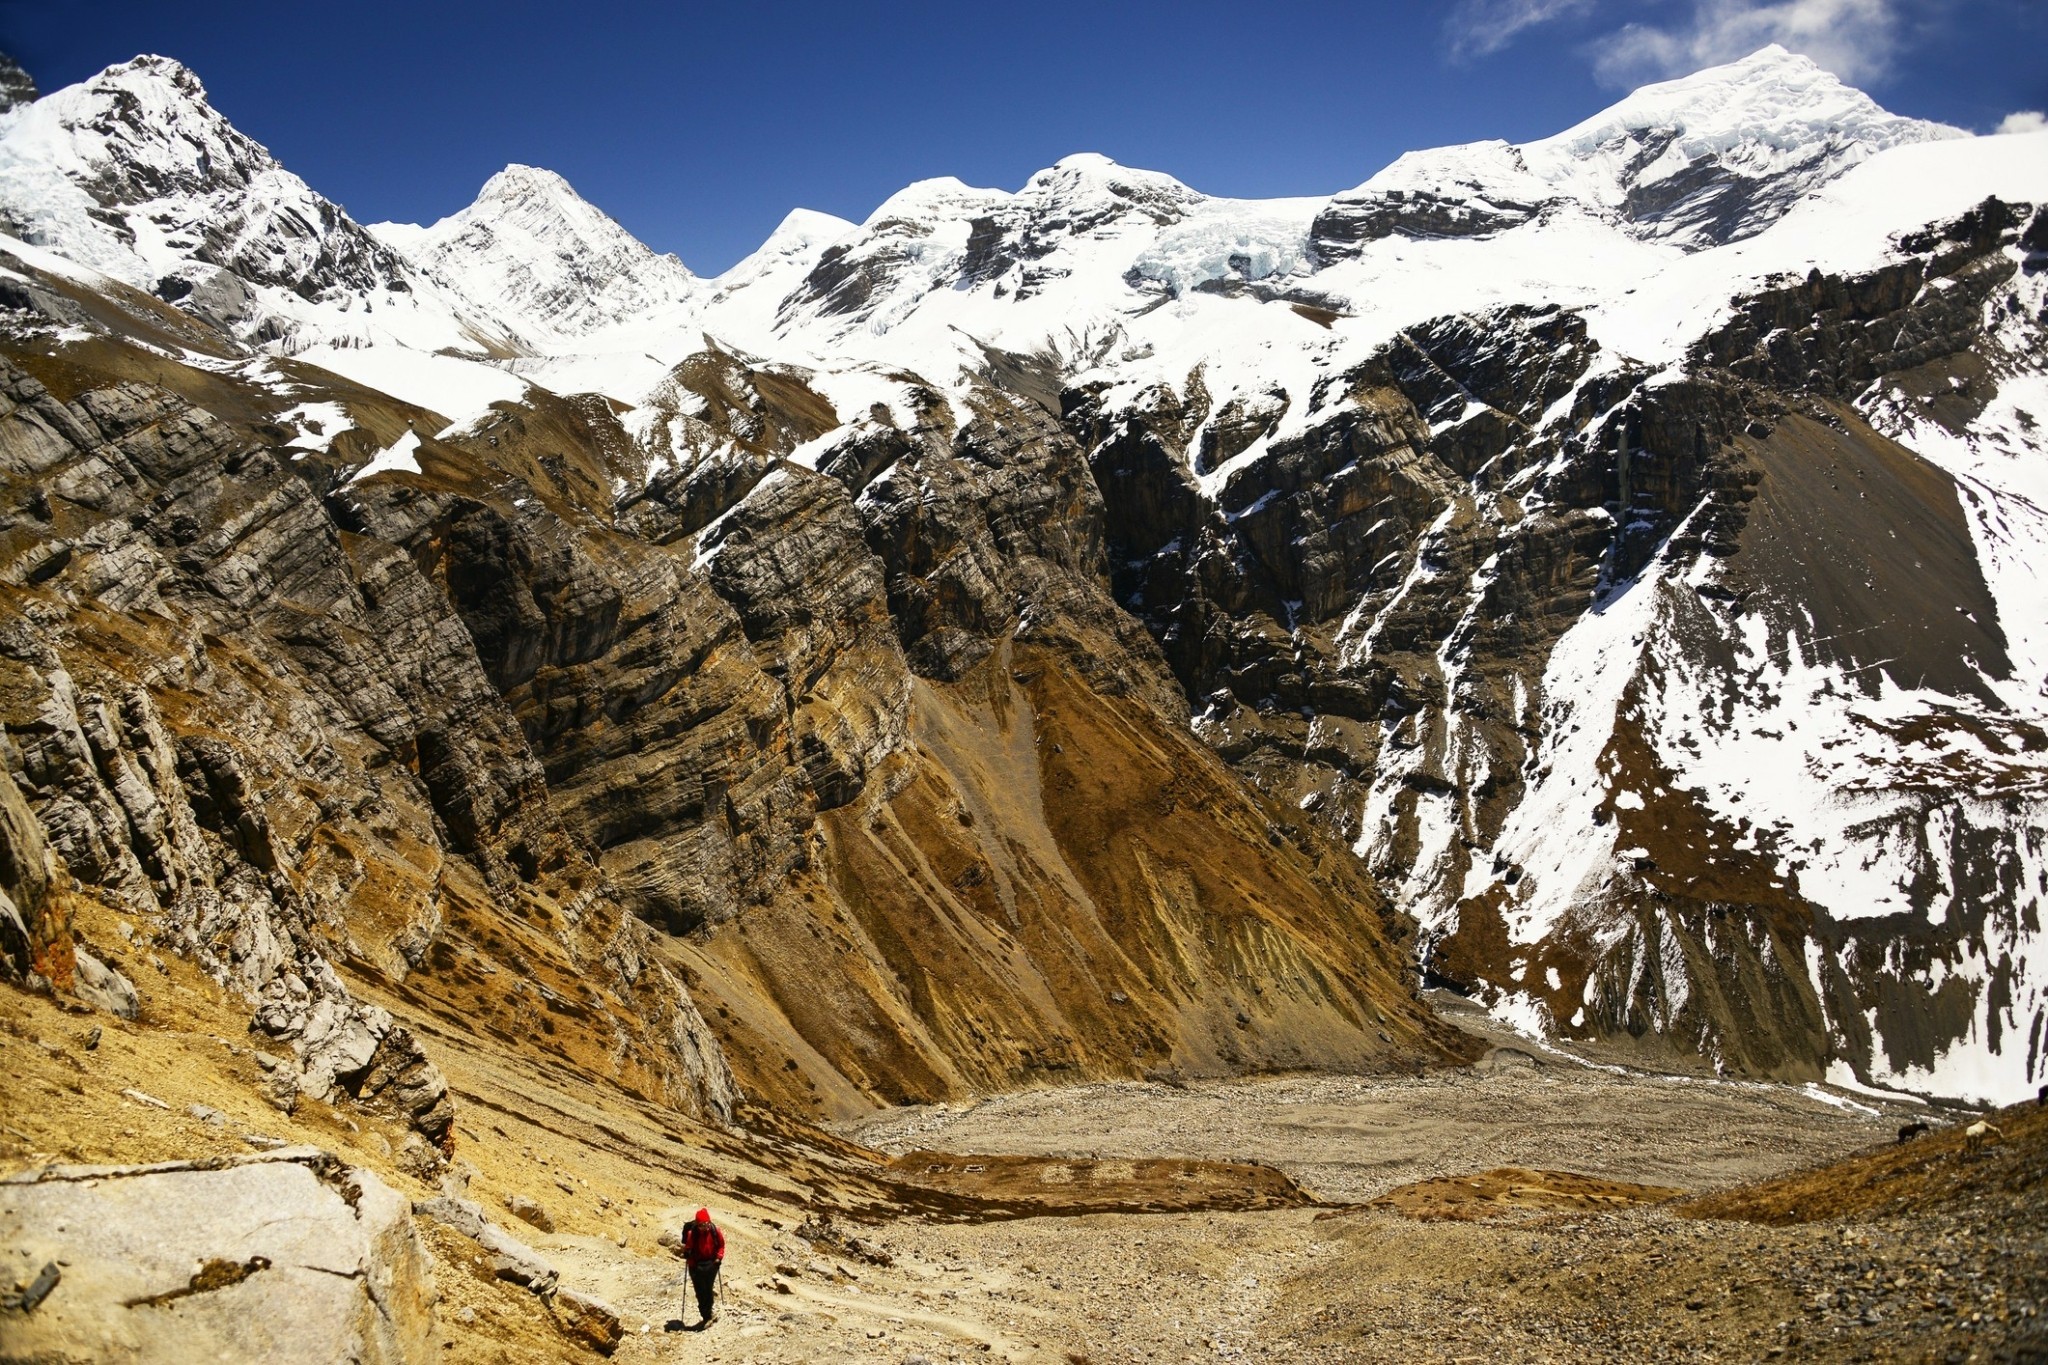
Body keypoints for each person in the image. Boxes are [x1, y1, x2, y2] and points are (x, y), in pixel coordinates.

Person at [682, 1207, 725, 1327]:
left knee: (707, 1289)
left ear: (709, 1222)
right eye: (701, 1225)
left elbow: (721, 1245)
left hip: (711, 1264)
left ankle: (708, 1315)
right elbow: (688, 1247)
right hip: (696, 1265)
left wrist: (718, 1258)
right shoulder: (692, 1233)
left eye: (706, 1224)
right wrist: (687, 1253)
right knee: (700, 1291)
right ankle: (707, 1315)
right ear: (697, 1224)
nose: (704, 1227)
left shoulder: (715, 1231)